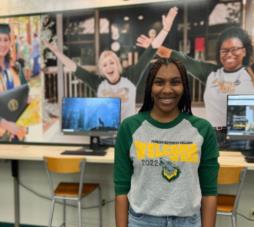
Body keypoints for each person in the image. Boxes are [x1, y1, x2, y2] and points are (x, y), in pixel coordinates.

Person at [114, 57, 219, 227]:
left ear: (184, 87)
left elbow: (209, 193)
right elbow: (121, 191)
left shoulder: (202, 130)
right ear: (149, 87)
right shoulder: (130, 128)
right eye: (159, 82)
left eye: (175, 82)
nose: (167, 89)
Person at [44, 7, 178, 120]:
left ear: (117, 64)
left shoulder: (130, 77)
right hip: (106, 131)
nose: (108, 67)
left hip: (126, 132)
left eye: (111, 62)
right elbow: (74, 67)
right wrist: (56, 52)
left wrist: (165, 29)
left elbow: (151, 51)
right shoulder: (97, 83)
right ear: (102, 70)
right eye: (104, 65)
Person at [137, 25, 254, 129]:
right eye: (224, 50)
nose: (229, 54)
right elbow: (182, 59)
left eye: (234, 49)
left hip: (244, 137)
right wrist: (154, 48)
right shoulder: (211, 73)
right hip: (214, 136)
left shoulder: (250, 73)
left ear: (244, 51)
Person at [0, 23, 27, 141]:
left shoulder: (16, 68)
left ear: (10, 42)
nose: (2, 44)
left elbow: (24, 95)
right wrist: (5, 124)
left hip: (18, 134)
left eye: (6, 39)